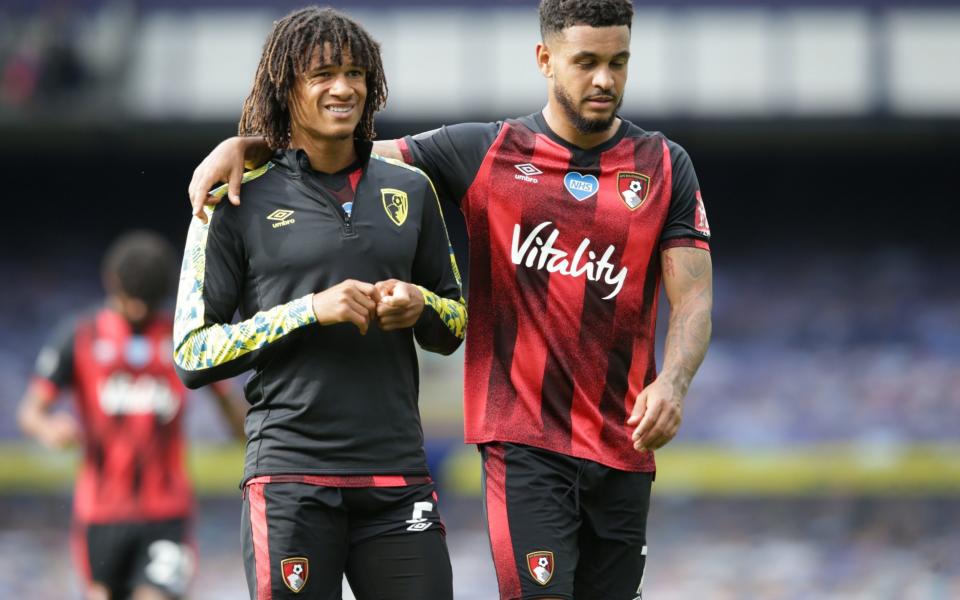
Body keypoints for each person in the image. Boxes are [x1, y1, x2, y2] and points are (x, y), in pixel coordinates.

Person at [187, 1, 712, 598]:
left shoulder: (666, 166)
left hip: (624, 441)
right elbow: (345, 152)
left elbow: (694, 301)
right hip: (523, 442)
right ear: (545, 59)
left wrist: (672, 382)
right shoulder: (484, 152)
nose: (604, 79)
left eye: (618, 63)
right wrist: (248, 144)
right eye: (586, 62)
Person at [172, 7, 466, 600]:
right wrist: (310, 310)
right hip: (289, 480)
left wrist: (421, 306)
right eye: (323, 73)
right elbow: (191, 352)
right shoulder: (231, 198)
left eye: (356, 72)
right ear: (286, 87)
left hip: (398, 476)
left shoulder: (411, 187)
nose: (344, 87)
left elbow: (454, 320)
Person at [17, 230, 247, 600]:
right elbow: (31, 410)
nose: (139, 312)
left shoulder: (181, 337)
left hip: (166, 511)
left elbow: (227, 399)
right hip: (100, 513)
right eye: (132, 302)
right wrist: (47, 428)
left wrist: (249, 433)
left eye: (148, 303)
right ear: (113, 285)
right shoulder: (80, 336)